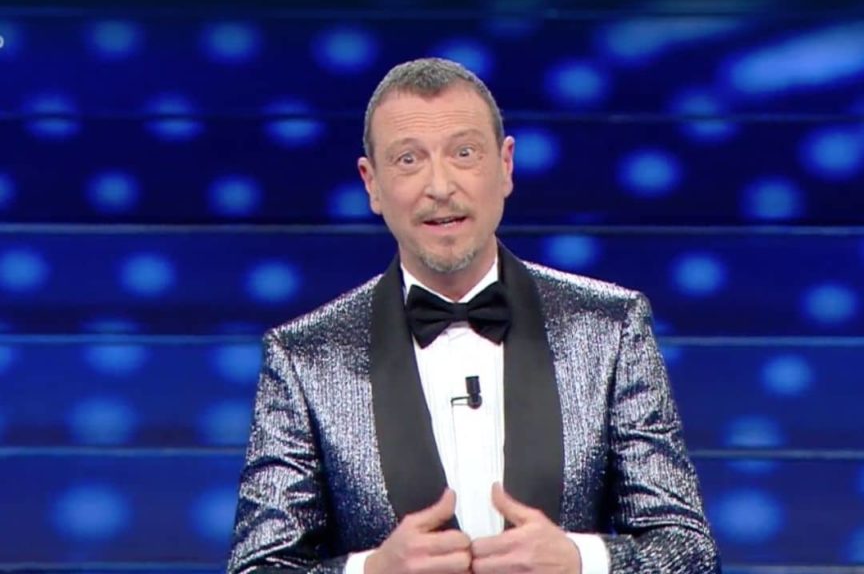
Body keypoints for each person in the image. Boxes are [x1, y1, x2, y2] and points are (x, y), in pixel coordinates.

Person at [227, 57, 721, 574]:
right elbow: (258, 567)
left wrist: (581, 561)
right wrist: (371, 571)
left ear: (506, 165)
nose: (440, 186)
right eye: (409, 160)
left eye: (464, 153)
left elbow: (690, 552)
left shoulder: (610, 329)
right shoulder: (305, 357)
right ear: (371, 183)